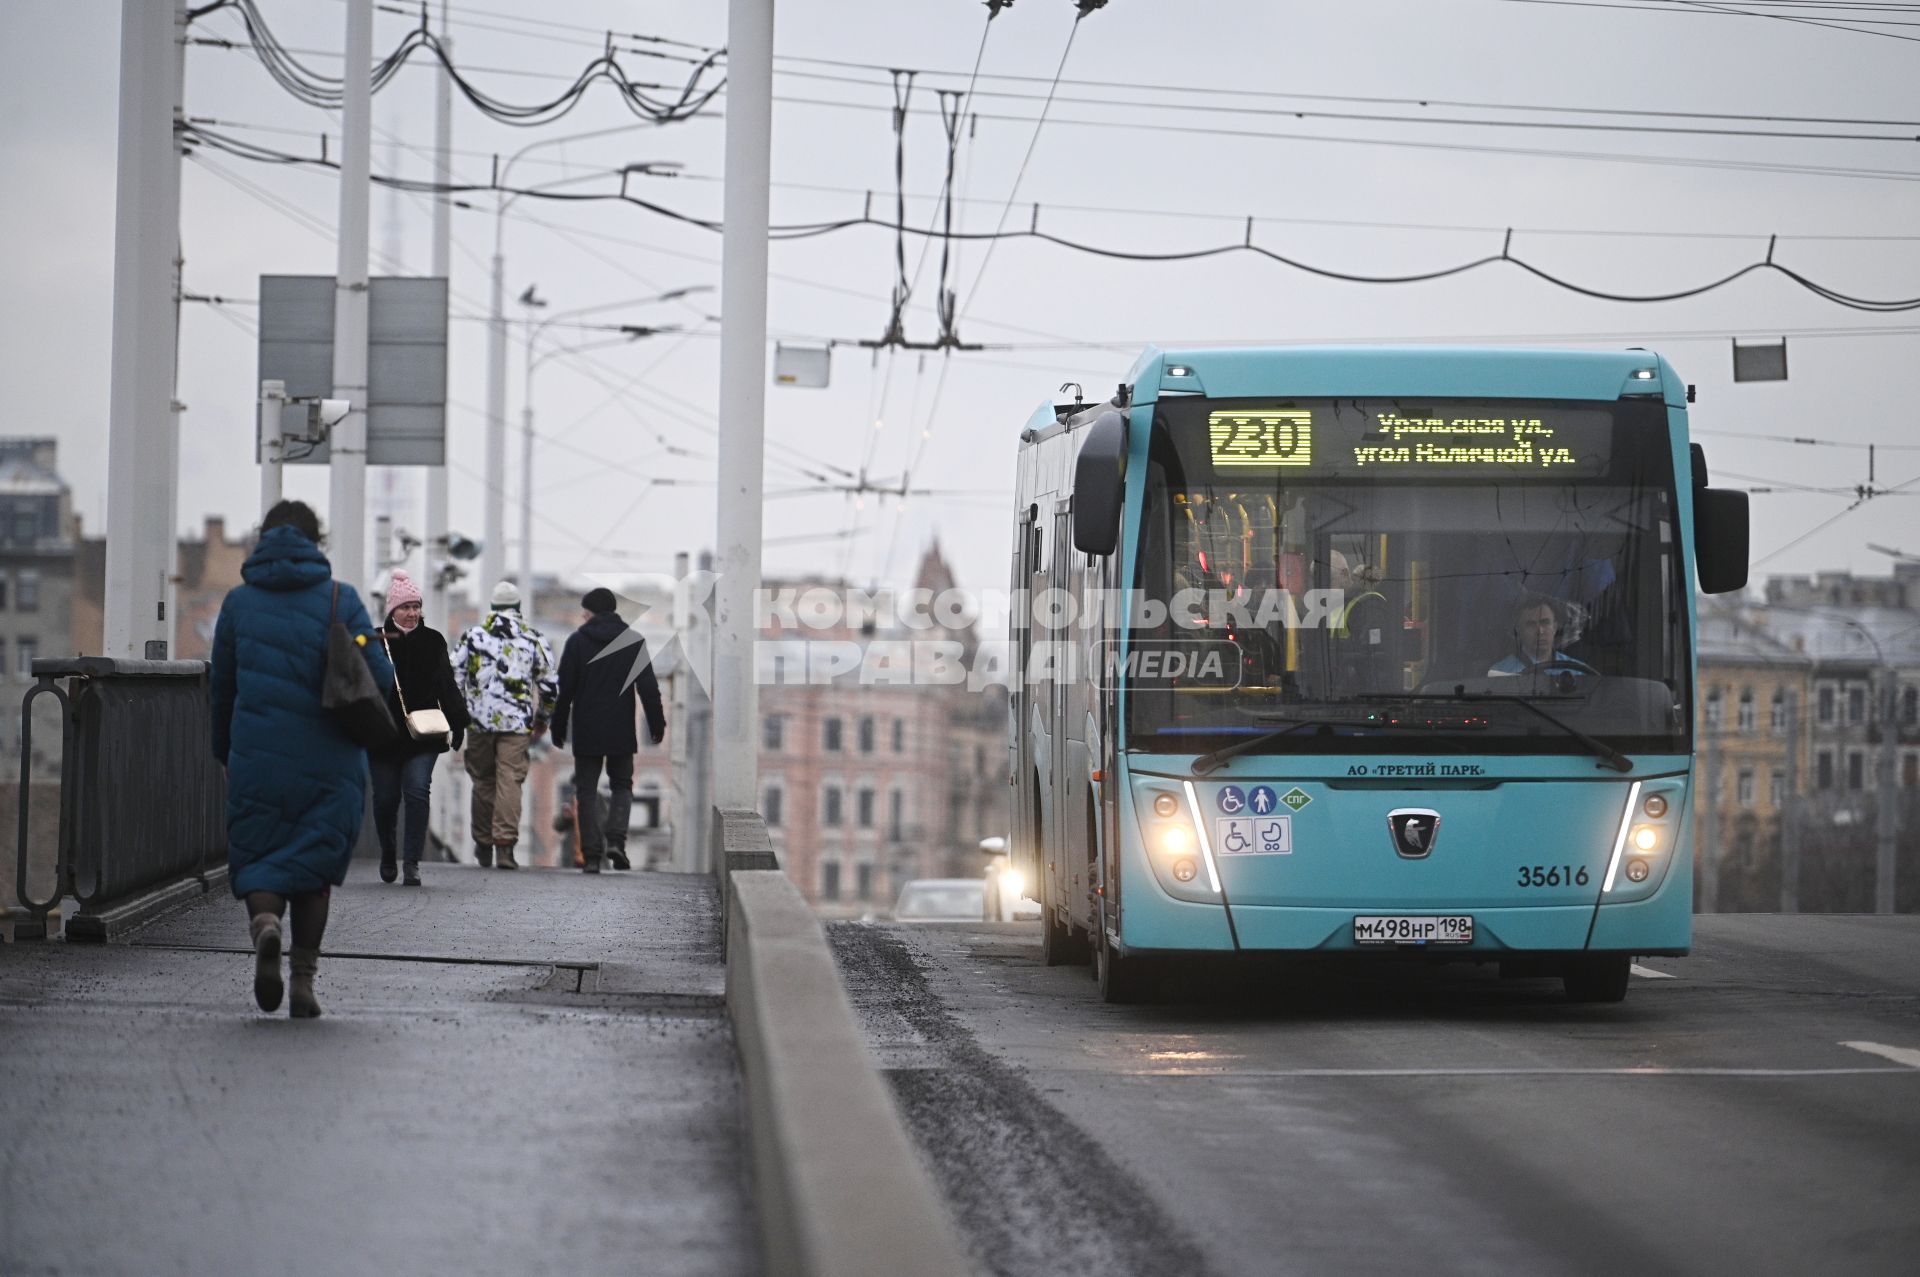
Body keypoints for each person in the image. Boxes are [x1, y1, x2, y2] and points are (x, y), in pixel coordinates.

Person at [211, 499, 393, 1019]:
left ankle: (265, 925)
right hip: (330, 759)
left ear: (263, 539)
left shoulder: (238, 604)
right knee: (312, 868)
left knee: (263, 856)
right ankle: (303, 981)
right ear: (319, 543)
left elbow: (221, 687)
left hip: (257, 756)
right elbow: (378, 675)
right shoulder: (342, 599)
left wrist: (224, 751)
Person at [551, 587, 667, 874]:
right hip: (621, 728)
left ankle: (591, 855)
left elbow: (564, 689)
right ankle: (616, 841)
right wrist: (656, 724)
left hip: (587, 728)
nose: (582, 615)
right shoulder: (633, 642)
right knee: (622, 785)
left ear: (593, 612)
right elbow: (649, 689)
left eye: (585, 611)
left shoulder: (577, 642)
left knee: (586, 790)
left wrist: (558, 725)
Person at [370, 570, 469, 887]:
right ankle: (388, 850)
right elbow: (362, 688)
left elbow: (446, 685)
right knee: (385, 800)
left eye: (416, 607)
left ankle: (411, 862)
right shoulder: (376, 641)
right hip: (383, 736)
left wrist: (458, 721)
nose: (412, 613)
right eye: (405, 607)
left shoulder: (433, 640)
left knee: (416, 791)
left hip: (423, 734)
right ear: (392, 609)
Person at [452, 581, 557, 870]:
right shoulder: (533, 639)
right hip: (516, 724)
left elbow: (454, 676)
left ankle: (483, 843)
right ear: (518, 608)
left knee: (483, 781)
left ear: (493, 608)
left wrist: (461, 711)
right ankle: (505, 848)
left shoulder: (472, 637)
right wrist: (542, 719)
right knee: (510, 780)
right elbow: (550, 686)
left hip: (479, 722)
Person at [1488, 594, 1592, 677]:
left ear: (1555, 627)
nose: (1540, 631)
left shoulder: (1578, 671)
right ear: (1519, 631)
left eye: (1545, 623)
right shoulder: (1500, 672)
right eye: (1531, 625)